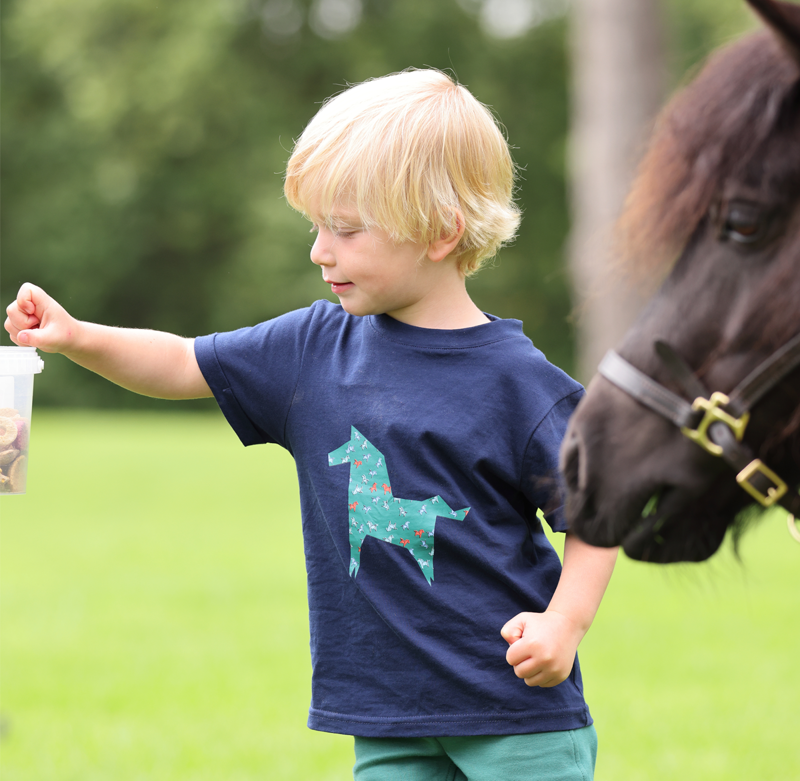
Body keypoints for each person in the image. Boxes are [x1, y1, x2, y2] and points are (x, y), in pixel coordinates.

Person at [5, 69, 617, 781]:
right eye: (316, 226)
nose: (320, 251)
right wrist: (78, 336)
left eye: (347, 230)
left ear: (442, 232)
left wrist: (565, 623)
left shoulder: (518, 381)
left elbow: (596, 512)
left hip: (515, 716)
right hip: (385, 715)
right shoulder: (311, 349)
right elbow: (178, 363)